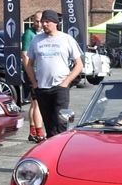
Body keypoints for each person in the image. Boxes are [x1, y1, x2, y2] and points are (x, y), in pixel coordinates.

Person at [25, 10, 83, 138]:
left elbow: (79, 65)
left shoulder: (66, 39)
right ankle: (52, 148)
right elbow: (29, 64)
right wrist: (34, 83)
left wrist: (66, 82)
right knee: (49, 125)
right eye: (43, 22)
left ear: (56, 23)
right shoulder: (36, 40)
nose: (44, 24)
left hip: (60, 87)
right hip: (42, 88)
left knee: (61, 122)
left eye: (47, 21)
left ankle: (63, 147)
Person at [21, 11, 45, 143]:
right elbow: (24, 55)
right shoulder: (29, 34)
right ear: (33, 21)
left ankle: (32, 131)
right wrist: (30, 74)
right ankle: (39, 133)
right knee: (38, 103)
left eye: (41, 21)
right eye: (36, 21)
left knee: (33, 103)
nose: (39, 24)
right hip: (33, 72)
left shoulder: (42, 34)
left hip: (40, 71)